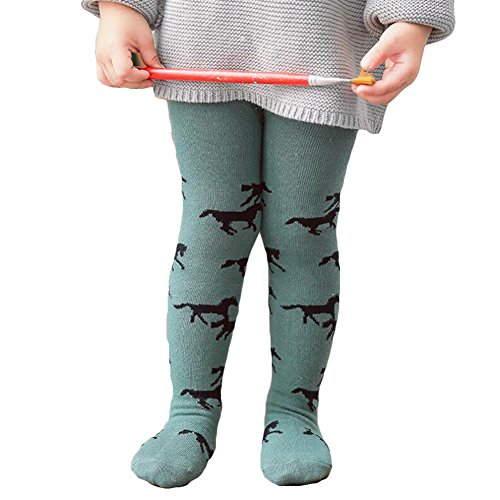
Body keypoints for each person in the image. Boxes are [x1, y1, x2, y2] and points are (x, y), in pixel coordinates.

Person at [81, 0, 455, 488]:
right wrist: (121, 7)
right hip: (202, 35)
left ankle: (293, 409)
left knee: (303, 232)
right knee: (211, 229)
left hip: (320, 39)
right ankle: (191, 409)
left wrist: (412, 16)